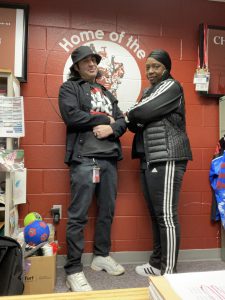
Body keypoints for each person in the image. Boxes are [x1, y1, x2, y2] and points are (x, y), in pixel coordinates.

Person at [58, 45, 127, 292]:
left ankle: (101, 256)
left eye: (94, 60)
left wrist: (112, 127)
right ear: (76, 66)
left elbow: (121, 121)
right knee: (78, 215)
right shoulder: (70, 88)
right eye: (86, 61)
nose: (91, 64)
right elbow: (72, 116)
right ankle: (73, 269)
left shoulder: (107, 92)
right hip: (84, 157)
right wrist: (102, 119)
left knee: (106, 211)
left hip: (109, 159)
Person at [126, 49, 192, 276]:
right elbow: (135, 123)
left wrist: (138, 113)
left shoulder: (172, 86)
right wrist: (138, 115)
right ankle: (156, 264)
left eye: (156, 66)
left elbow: (140, 112)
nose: (151, 71)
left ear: (166, 68)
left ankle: (169, 272)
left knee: (166, 216)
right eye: (148, 67)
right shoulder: (149, 91)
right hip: (150, 157)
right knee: (156, 215)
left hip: (167, 155)